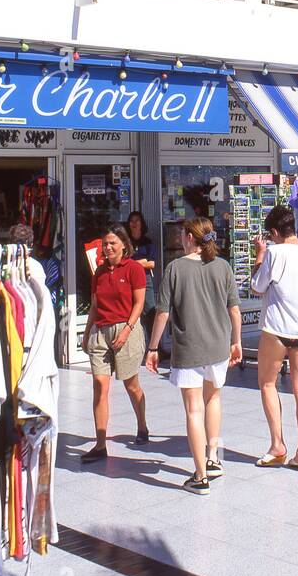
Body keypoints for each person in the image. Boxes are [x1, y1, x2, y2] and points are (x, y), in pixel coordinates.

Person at [144, 219, 242, 494]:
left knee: (193, 409)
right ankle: (212, 458)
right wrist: (236, 342)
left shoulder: (175, 268)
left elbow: (162, 313)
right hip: (218, 345)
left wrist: (152, 348)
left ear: (189, 237)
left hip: (189, 348)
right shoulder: (222, 266)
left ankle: (200, 476)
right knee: (213, 398)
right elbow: (234, 310)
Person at [251, 204, 298, 472]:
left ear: (273, 232)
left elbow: (257, 287)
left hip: (277, 329)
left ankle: (277, 445)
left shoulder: (274, 252)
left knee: (267, 384)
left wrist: (260, 254)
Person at [79, 226, 148, 463]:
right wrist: (88, 333)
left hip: (125, 329)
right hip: (101, 331)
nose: (108, 248)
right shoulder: (99, 272)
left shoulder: (134, 269)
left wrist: (127, 330)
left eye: (112, 243)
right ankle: (100, 444)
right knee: (100, 385)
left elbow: (139, 303)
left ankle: (142, 426)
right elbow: (95, 304)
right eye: (105, 244)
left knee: (131, 385)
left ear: (123, 245)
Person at [126, 210, 158, 346]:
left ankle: (154, 346)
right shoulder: (125, 242)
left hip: (146, 280)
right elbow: (123, 262)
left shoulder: (148, 242)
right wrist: (141, 262)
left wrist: (132, 264)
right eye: (131, 221)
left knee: (150, 312)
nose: (134, 223)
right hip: (129, 281)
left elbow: (151, 264)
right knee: (132, 313)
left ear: (141, 223)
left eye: (137, 220)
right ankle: (136, 347)